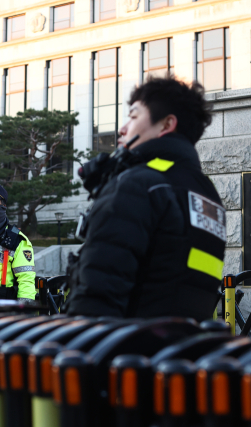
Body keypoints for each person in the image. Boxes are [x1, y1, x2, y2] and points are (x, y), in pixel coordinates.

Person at [66, 76, 226, 321]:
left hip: (126, 350)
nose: (122, 129)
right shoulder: (206, 193)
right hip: (183, 348)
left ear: (166, 125)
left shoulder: (138, 184)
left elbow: (96, 295)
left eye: (133, 116)